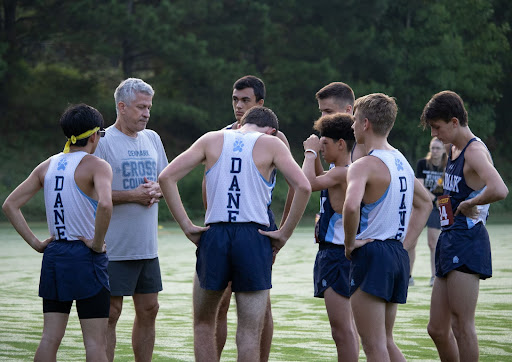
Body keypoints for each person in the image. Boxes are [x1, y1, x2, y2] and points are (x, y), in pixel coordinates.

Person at [159, 106, 311, 362]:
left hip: (215, 234)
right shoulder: (272, 144)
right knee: (250, 332)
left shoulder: (211, 138)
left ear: (241, 125)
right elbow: (304, 186)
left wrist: (186, 225)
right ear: (272, 131)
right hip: (254, 237)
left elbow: (166, 177)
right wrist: (284, 233)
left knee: (204, 324)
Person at [2, 104, 113, 361]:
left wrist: (37, 244)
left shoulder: (47, 165)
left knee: (50, 338)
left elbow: (10, 204)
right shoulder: (97, 165)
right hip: (86, 256)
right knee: (95, 344)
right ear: (95, 135)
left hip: (54, 255)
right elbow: (106, 204)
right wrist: (97, 244)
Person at [204, 75, 294, 361]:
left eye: (245, 100)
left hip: (259, 223)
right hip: (221, 223)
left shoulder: (275, 138)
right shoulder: (221, 135)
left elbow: (297, 184)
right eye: (235, 99)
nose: (239, 106)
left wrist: (280, 226)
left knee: (259, 306)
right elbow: (209, 183)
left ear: (259, 104)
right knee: (220, 303)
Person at [343, 93, 432, 362]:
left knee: (373, 347)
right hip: (396, 256)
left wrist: (349, 244)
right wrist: (406, 244)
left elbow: (350, 206)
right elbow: (426, 203)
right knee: (386, 342)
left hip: (372, 255)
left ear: (366, 123)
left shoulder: (364, 165)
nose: (352, 127)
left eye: (355, 121)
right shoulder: (402, 160)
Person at [420, 90, 508, 362]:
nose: (434, 134)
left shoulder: (475, 151)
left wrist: (472, 204)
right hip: (449, 239)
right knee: (436, 328)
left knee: (461, 325)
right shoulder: (452, 149)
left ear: (454, 122)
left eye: (437, 127)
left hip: (468, 242)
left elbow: (499, 189)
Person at [94, 78, 168, 362]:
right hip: (113, 245)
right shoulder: (102, 140)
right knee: (111, 313)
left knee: (150, 309)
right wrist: (132, 195)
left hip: (146, 245)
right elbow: (90, 192)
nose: (146, 113)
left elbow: (164, 180)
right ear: (122, 107)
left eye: (149, 106)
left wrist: (158, 190)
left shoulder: (153, 138)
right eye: (140, 107)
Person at [302, 113, 359, 361]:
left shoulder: (343, 172)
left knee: (342, 330)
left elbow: (305, 184)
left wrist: (309, 153)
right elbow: (319, 177)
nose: (321, 147)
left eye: (325, 143)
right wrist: (317, 158)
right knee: (344, 329)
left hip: (337, 254)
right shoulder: (338, 171)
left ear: (341, 144)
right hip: (333, 253)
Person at [406, 137, 447, 287]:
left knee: (433, 242)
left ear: (443, 150)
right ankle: (408, 276)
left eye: (438, 148)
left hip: (441, 206)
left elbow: (449, 189)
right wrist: (434, 199)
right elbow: (421, 188)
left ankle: (434, 276)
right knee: (411, 241)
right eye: (433, 148)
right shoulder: (422, 164)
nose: (435, 151)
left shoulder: (448, 165)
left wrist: (440, 202)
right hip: (422, 204)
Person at [316, 81, 366, 162]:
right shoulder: (332, 137)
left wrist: (310, 154)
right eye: (321, 112)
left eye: (329, 111)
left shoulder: (362, 141)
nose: (323, 117)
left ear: (348, 110)